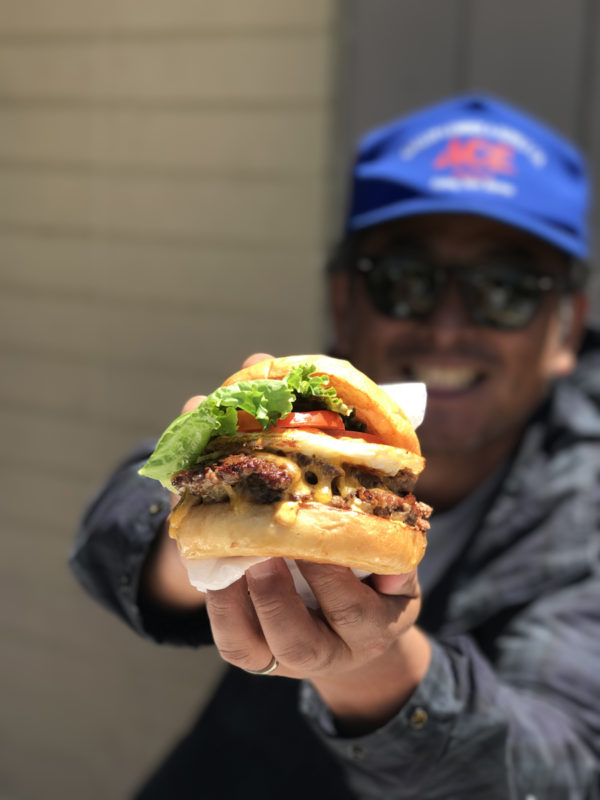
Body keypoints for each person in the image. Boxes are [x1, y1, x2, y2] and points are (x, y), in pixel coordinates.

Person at [71, 94, 600, 799]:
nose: (447, 328)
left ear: (567, 327)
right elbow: (107, 527)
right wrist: (204, 528)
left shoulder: (586, 513)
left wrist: (372, 669)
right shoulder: (295, 401)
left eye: (505, 291)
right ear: (345, 304)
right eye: (405, 282)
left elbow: (560, 768)